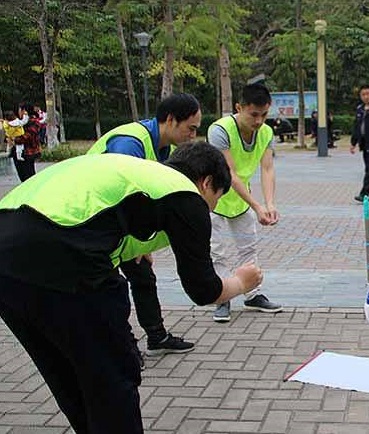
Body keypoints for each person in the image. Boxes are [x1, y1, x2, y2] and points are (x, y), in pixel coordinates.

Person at [0, 144, 263, 433]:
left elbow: (94, 216)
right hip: (65, 256)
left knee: (66, 373)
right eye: (216, 198)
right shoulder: (186, 193)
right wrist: (241, 282)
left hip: (7, 256)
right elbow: (203, 290)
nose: (211, 208)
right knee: (114, 377)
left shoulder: (142, 175)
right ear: (207, 183)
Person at [88, 93, 202, 362]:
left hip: (120, 225)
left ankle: (156, 337)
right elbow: (120, 196)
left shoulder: (166, 149)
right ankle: (122, 350)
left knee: (143, 277)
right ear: (171, 120)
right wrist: (136, 242)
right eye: (191, 128)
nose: (193, 135)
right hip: (93, 224)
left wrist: (141, 244)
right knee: (110, 288)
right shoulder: (129, 144)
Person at [208, 83, 282, 322]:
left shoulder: (266, 133)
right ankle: (222, 297)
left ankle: (252, 294)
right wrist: (257, 206)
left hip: (241, 200)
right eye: (253, 114)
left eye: (264, 115)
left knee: (248, 247)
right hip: (213, 199)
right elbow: (229, 173)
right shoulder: (219, 130)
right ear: (239, 108)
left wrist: (269, 204)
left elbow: (267, 168)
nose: (259, 121)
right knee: (216, 251)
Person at [11, 105, 42, 182]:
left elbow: (27, 136)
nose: (19, 112)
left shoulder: (33, 122)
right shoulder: (20, 122)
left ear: (24, 111)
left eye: (20, 110)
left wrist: (14, 139)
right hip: (19, 152)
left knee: (28, 176)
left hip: (28, 153)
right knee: (23, 176)